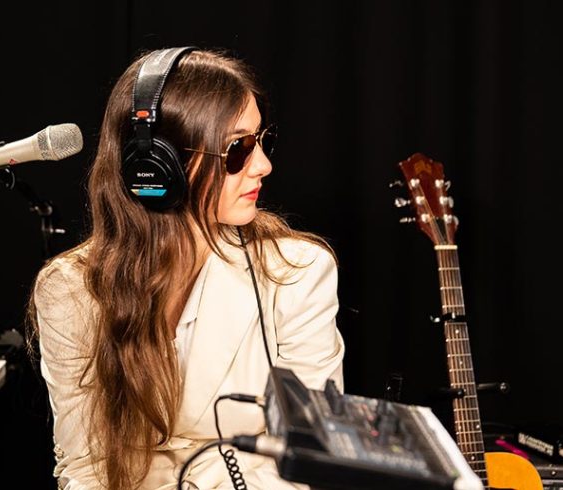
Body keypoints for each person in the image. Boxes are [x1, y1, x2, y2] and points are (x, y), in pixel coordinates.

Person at [29, 47, 345, 489]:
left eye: (263, 141)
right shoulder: (69, 289)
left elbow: (311, 459)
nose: (264, 166)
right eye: (239, 149)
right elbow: (86, 466)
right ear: (157, 167)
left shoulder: (298, 273)